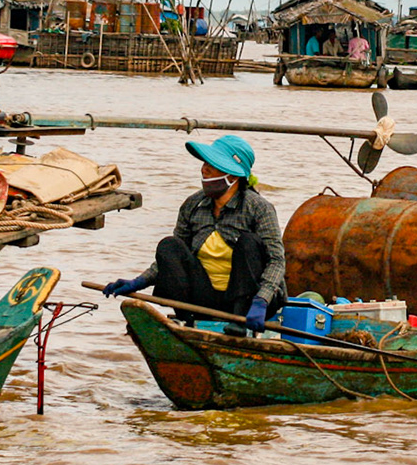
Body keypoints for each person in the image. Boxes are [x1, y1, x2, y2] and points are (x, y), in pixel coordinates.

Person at [99, 135, 285, 333]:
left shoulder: (258, 208)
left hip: (250, 304)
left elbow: (276, 260)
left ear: (233, 176)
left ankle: (239, 321)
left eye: (213, 165)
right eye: (205, 163)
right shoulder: (193, 205)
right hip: (206, 298)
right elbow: (174, 257)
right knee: (169, 245)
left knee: (248, 242)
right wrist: (139, 282)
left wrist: (261, 299)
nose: (204, 169)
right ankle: (187, 321)